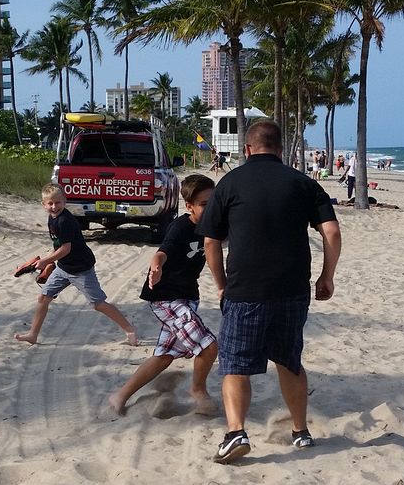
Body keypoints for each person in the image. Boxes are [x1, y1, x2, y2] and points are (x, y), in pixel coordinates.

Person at [197, 120, 341, 464]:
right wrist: (327, 277)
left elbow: (210, 241)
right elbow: (332, 232)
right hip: (292, 289)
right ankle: (301, 431)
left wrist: (221, 284)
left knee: (235, 364)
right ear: (281, 148)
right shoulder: (303, 183)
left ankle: (235, 433)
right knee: (289, 360)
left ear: (247, 149)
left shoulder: (229, 183)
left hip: (246, 289)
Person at [109, 175, 218, 415]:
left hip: (187, 297)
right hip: (166, 298)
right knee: (208, 346)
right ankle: (198, 390)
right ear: (189, 206)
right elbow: (162, 252)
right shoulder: (180, 227)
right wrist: (156, 266)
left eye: (214, 202)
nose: (211, 209)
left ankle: (119, 396)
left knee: (165, 356)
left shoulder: (215, 224)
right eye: (204, 205)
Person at [15, 183, 138, 346]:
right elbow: (59, 246)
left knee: (98, 304)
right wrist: (49, 261)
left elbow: (66, 248)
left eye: (58, 202)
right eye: (50, 203)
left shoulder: (65, 221)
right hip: (63, 267)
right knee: (43, 297)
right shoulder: (52, 218)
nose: (54, 206)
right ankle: (33, 334)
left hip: (81, 269)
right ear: (43, 205)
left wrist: (46, 260)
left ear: (65, 201)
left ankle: (130, 330)